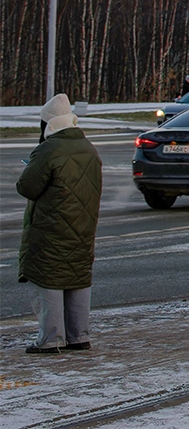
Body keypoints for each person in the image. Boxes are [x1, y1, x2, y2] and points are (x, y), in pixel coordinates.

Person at [17, 94, 102, 355]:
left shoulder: (48, 149)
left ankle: (51, 339)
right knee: (76, 277)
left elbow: (28, 187)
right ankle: (79, 336)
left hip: (51, 227)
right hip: (83, 225)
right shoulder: (88, 148)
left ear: (49, 124)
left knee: (48, 279)